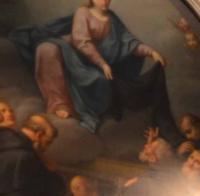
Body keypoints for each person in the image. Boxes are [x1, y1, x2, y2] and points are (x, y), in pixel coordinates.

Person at [10, 0, 178, 136]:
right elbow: (82, 42)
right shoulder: (83, 13)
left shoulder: (112, 19)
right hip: (71, 52)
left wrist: (152, 52)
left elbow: (129, 43)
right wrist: (102, 63)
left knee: (101, 81)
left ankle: (88, 111)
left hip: (90, 63)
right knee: (46, 49)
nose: (105, 1)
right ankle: (59, 105)